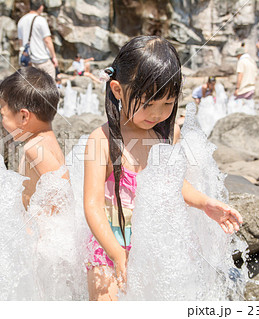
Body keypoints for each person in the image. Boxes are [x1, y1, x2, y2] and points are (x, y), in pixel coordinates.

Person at [83, 36, 243, 301]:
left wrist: (205, 203)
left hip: (153, 241)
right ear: (117, 89)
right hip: (108, 244)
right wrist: (116, 252)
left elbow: (172, 184)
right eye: (148, 104)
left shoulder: (168, 136)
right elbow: (92, 205)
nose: (157, 114)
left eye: (167, 103)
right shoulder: (102, 140)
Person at [0, 67, 64, 209]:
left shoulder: (34, 148)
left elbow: (61, 195)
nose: (1, 121)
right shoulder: (47, 141)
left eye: (3, 115)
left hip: (38, 229)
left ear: (23, 116)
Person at [17, 0, 58, 80]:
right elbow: (47, 40)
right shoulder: (40, 20)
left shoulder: (21, 20)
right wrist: (54, 57)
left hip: (28, 61)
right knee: (49, 84)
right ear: (41, 7)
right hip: (42, 59)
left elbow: (21, 42)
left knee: (31, 86)